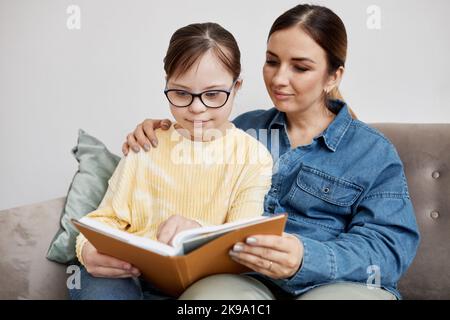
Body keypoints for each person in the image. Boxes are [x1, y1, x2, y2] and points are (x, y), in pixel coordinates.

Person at [123, 4, 420, 300]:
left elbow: (390, 249)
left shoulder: (372, 151)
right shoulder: (242, 128)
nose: (278, 79)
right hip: (247, 281)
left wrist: (305, 258)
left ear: (334, 76)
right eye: (272, 61)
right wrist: (162, 132)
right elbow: (190, 184)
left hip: (337, 284)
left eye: (300, 67)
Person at [69, 22, 273, 300]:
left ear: (236, 87)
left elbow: (242, 239)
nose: (196, 108)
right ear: (167, 83)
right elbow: (105, 219)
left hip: (204, 286)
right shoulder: (148, 143)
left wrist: (199, 231)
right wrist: (87, 249)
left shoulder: (253, 157)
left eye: (213, 94)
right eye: (181, 93)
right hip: (130, 275)